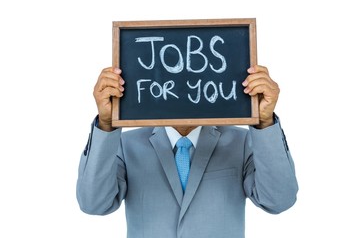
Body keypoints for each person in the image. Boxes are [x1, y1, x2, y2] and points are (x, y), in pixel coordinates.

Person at [76, 65, 298, 238]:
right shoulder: (127, 144)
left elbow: (278, 200)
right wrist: (106, 123)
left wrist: (265, 122)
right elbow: (94, 203)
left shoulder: (241, 142)